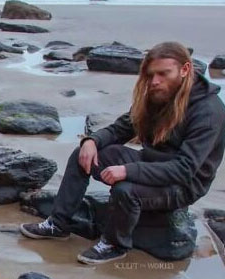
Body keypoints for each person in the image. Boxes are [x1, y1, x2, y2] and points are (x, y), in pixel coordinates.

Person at [20, 41, 225, 265]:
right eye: (151, 74)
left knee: (125, 190)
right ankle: (58, 225)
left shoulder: (208, 110)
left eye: (163, 74)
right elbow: (121, 129)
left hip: (183, 184)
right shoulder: (158, 94)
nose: (155, 81)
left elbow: (184, 169)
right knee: (83, 154)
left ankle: (115, 244)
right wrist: (92, 141)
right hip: (151, 164)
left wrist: (128, 171)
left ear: (185, 70)